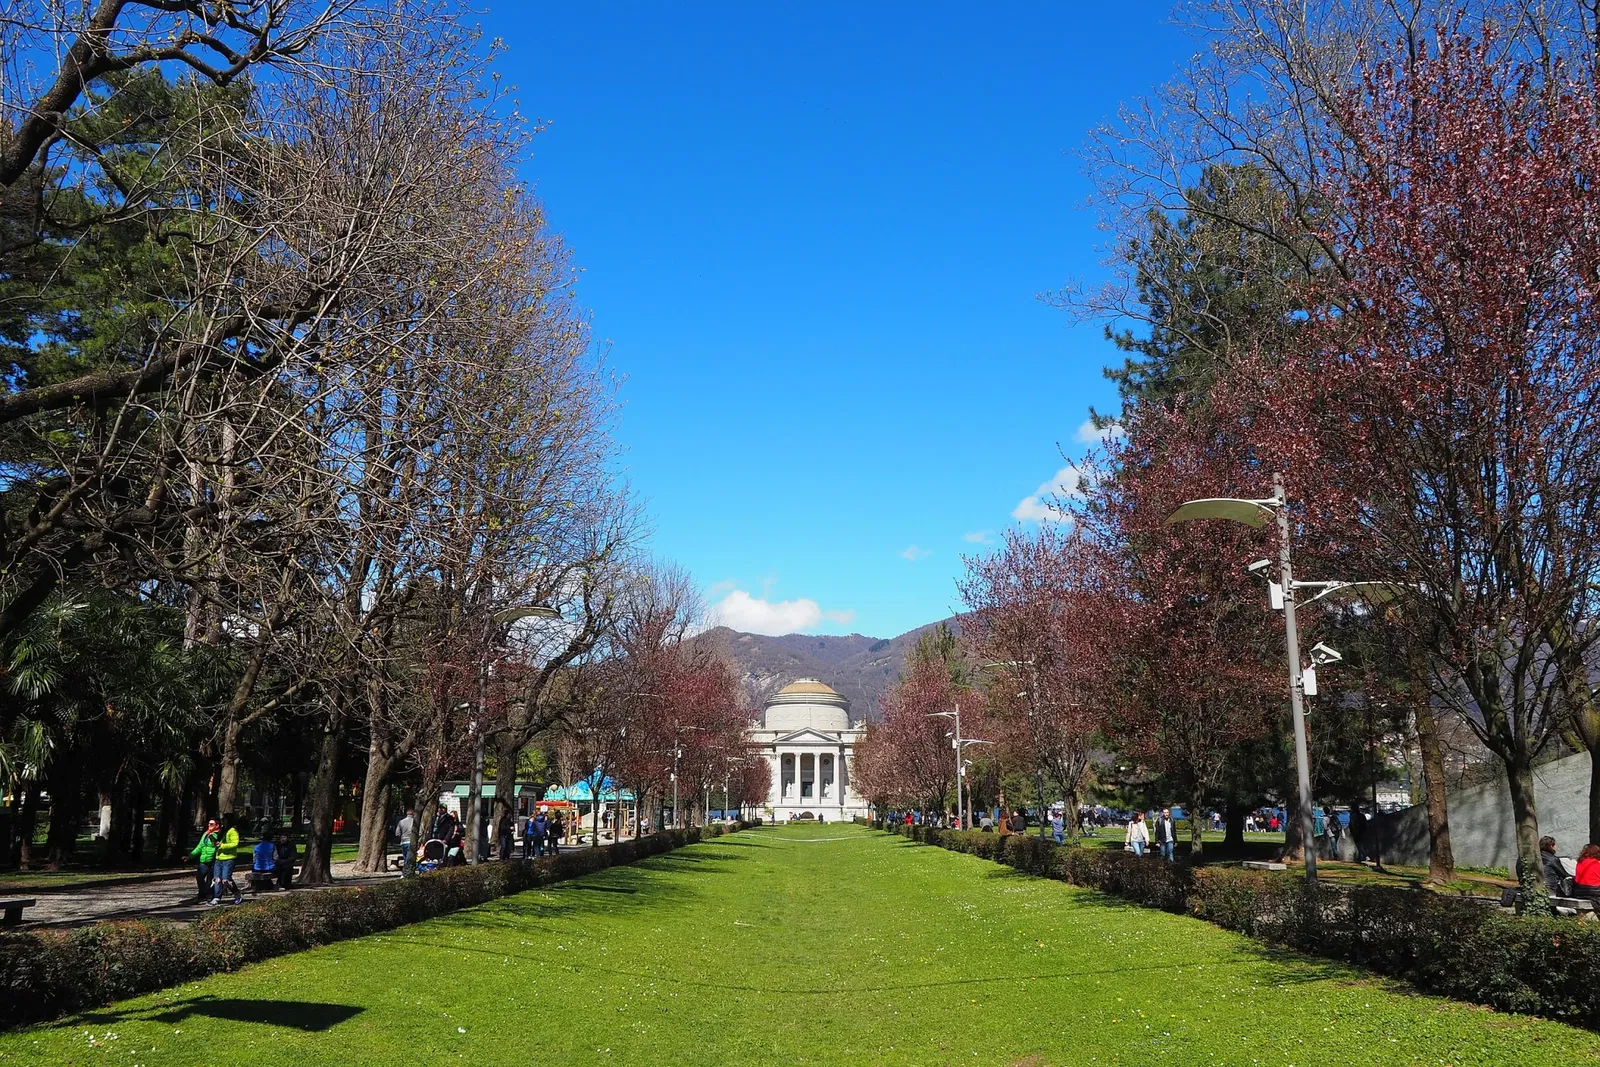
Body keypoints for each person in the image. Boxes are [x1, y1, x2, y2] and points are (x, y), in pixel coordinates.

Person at [210, 813, 242, 906]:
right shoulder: (222, 830)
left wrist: (222, 846)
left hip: (229, 859)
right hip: (219, 858)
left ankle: (237, 894)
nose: (222, 821)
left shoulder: (233, 831)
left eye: (224, 819)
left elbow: (234, 843)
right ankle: (216, 897)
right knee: (217, 879)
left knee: (226, 879)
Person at [189, 820, 219, 903]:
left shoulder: (218, 834)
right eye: (209, 824)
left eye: (212, 824)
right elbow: (200, 846)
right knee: (199, 877)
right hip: (204, 860)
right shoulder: (206, 834)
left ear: (217, 825)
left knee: (211, 879)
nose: (209, 825)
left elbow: (217, 845)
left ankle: (210, 895)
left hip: (213, 860)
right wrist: (190, 856)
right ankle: (203, 894)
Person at [397, 808, 415, 874]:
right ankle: (408, 872)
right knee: (410, 858)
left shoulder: (401, 822)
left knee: (405, 857)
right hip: (412, 842)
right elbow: (420, 832)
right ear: (413, 814)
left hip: (403, 841)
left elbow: (397, 833)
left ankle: (405, 872)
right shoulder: (415, 822)